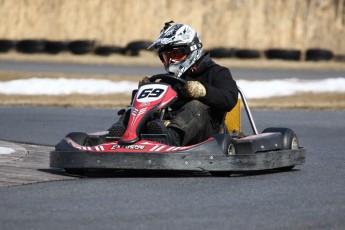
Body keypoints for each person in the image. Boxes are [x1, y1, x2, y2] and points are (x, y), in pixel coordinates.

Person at [108, 21, 238, 146]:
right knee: (140, 105)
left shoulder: (216, 72)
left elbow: (230, 98)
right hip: (165, 127)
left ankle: (172, 138)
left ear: (191, 50)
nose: (171, 61)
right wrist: (145, 92)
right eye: (166, 57)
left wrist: (203, 92)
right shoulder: (169, 79)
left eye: (176, 54)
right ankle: (121, 133)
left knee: (195, 105)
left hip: (205, 132)